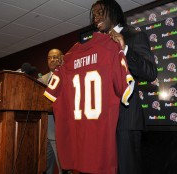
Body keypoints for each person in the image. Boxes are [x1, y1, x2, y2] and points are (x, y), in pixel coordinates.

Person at [44, 31, 135, 173]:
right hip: (101, 143)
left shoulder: (67, 60)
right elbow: (126, 89)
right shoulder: (109, 48)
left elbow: (48, 101)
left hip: (76, 145)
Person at [90, 1, 157, 174]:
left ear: (113, 11)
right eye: (94, 14)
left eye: (100, 12)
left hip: (125, 119)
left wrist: (125, 48)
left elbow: (150, 72)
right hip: (102, 120)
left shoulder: (134, 36)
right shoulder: (97, 44)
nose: (96, 17)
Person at [38, 48, 64, 174]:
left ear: (61, 58)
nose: (51, 60)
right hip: (43, 131)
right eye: (49, 57)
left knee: (62, 167)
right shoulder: (41, 79)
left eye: (55, 57)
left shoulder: (67, 76)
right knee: (45, 167)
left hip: (59, 130)